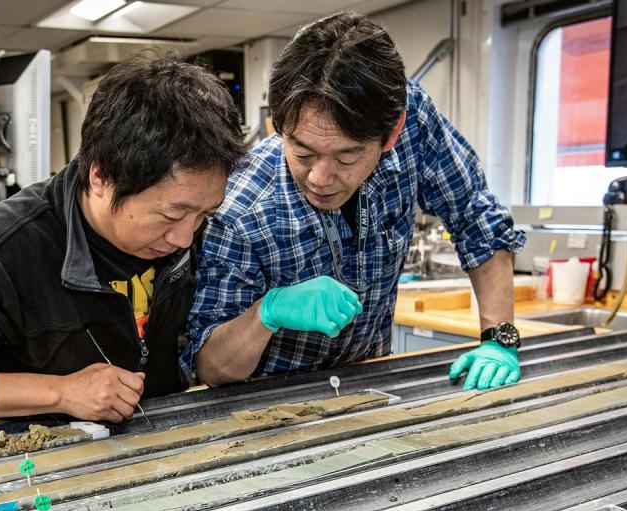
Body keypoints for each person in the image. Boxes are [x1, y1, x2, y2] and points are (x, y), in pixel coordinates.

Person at [0, 55, 245, 426]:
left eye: (203, 214)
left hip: (159, 439)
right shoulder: (3, 253)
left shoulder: (191, 227)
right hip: (46, 462)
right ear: (101, 177)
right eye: (171, 215)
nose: (184, 238)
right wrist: (63, 392)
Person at [183, 12, 525, 392]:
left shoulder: (413, 121)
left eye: (347, 158)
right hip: (269, 404)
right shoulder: (242, 209)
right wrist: (267, 312)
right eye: (303, 152)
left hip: (371, 384)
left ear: (391, 133)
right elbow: (211, 366)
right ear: (278, 125)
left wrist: (499, 337)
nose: (320, 178)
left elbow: (475, 214)